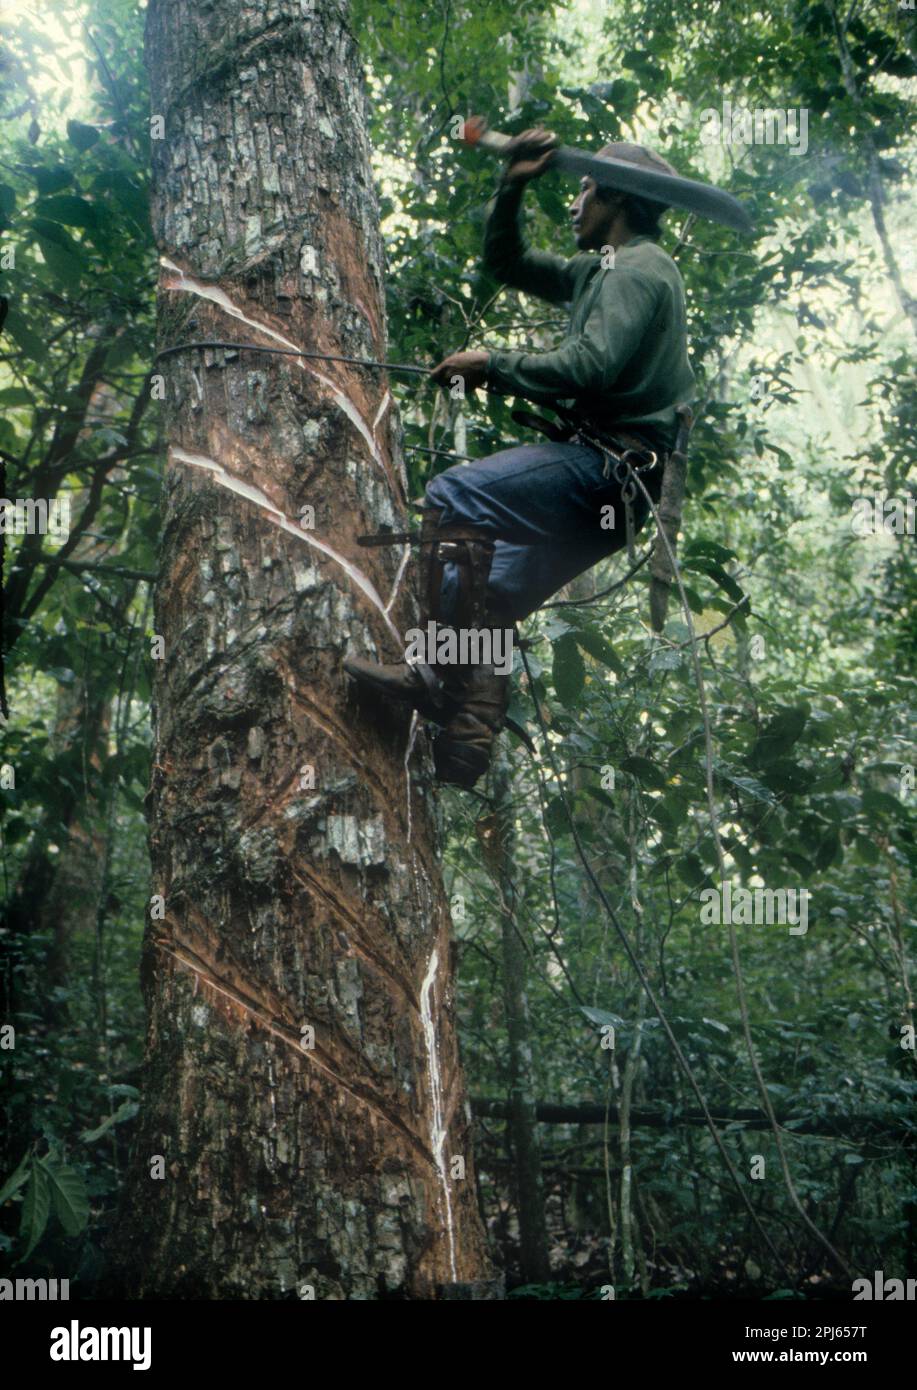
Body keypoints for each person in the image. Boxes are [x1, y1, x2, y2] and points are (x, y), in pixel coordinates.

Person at [345, 127, 696, 788]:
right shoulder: (602, 269)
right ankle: (467, 740)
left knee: (455, 497)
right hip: (617, 503)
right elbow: (506, 264)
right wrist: (511, 185)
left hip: (608, 474)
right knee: (484, 591)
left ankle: (429, 672)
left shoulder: (642, 267)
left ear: (616, 196)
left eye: (585, 189)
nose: (574, 204)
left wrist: (493, 365)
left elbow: (591, 366)